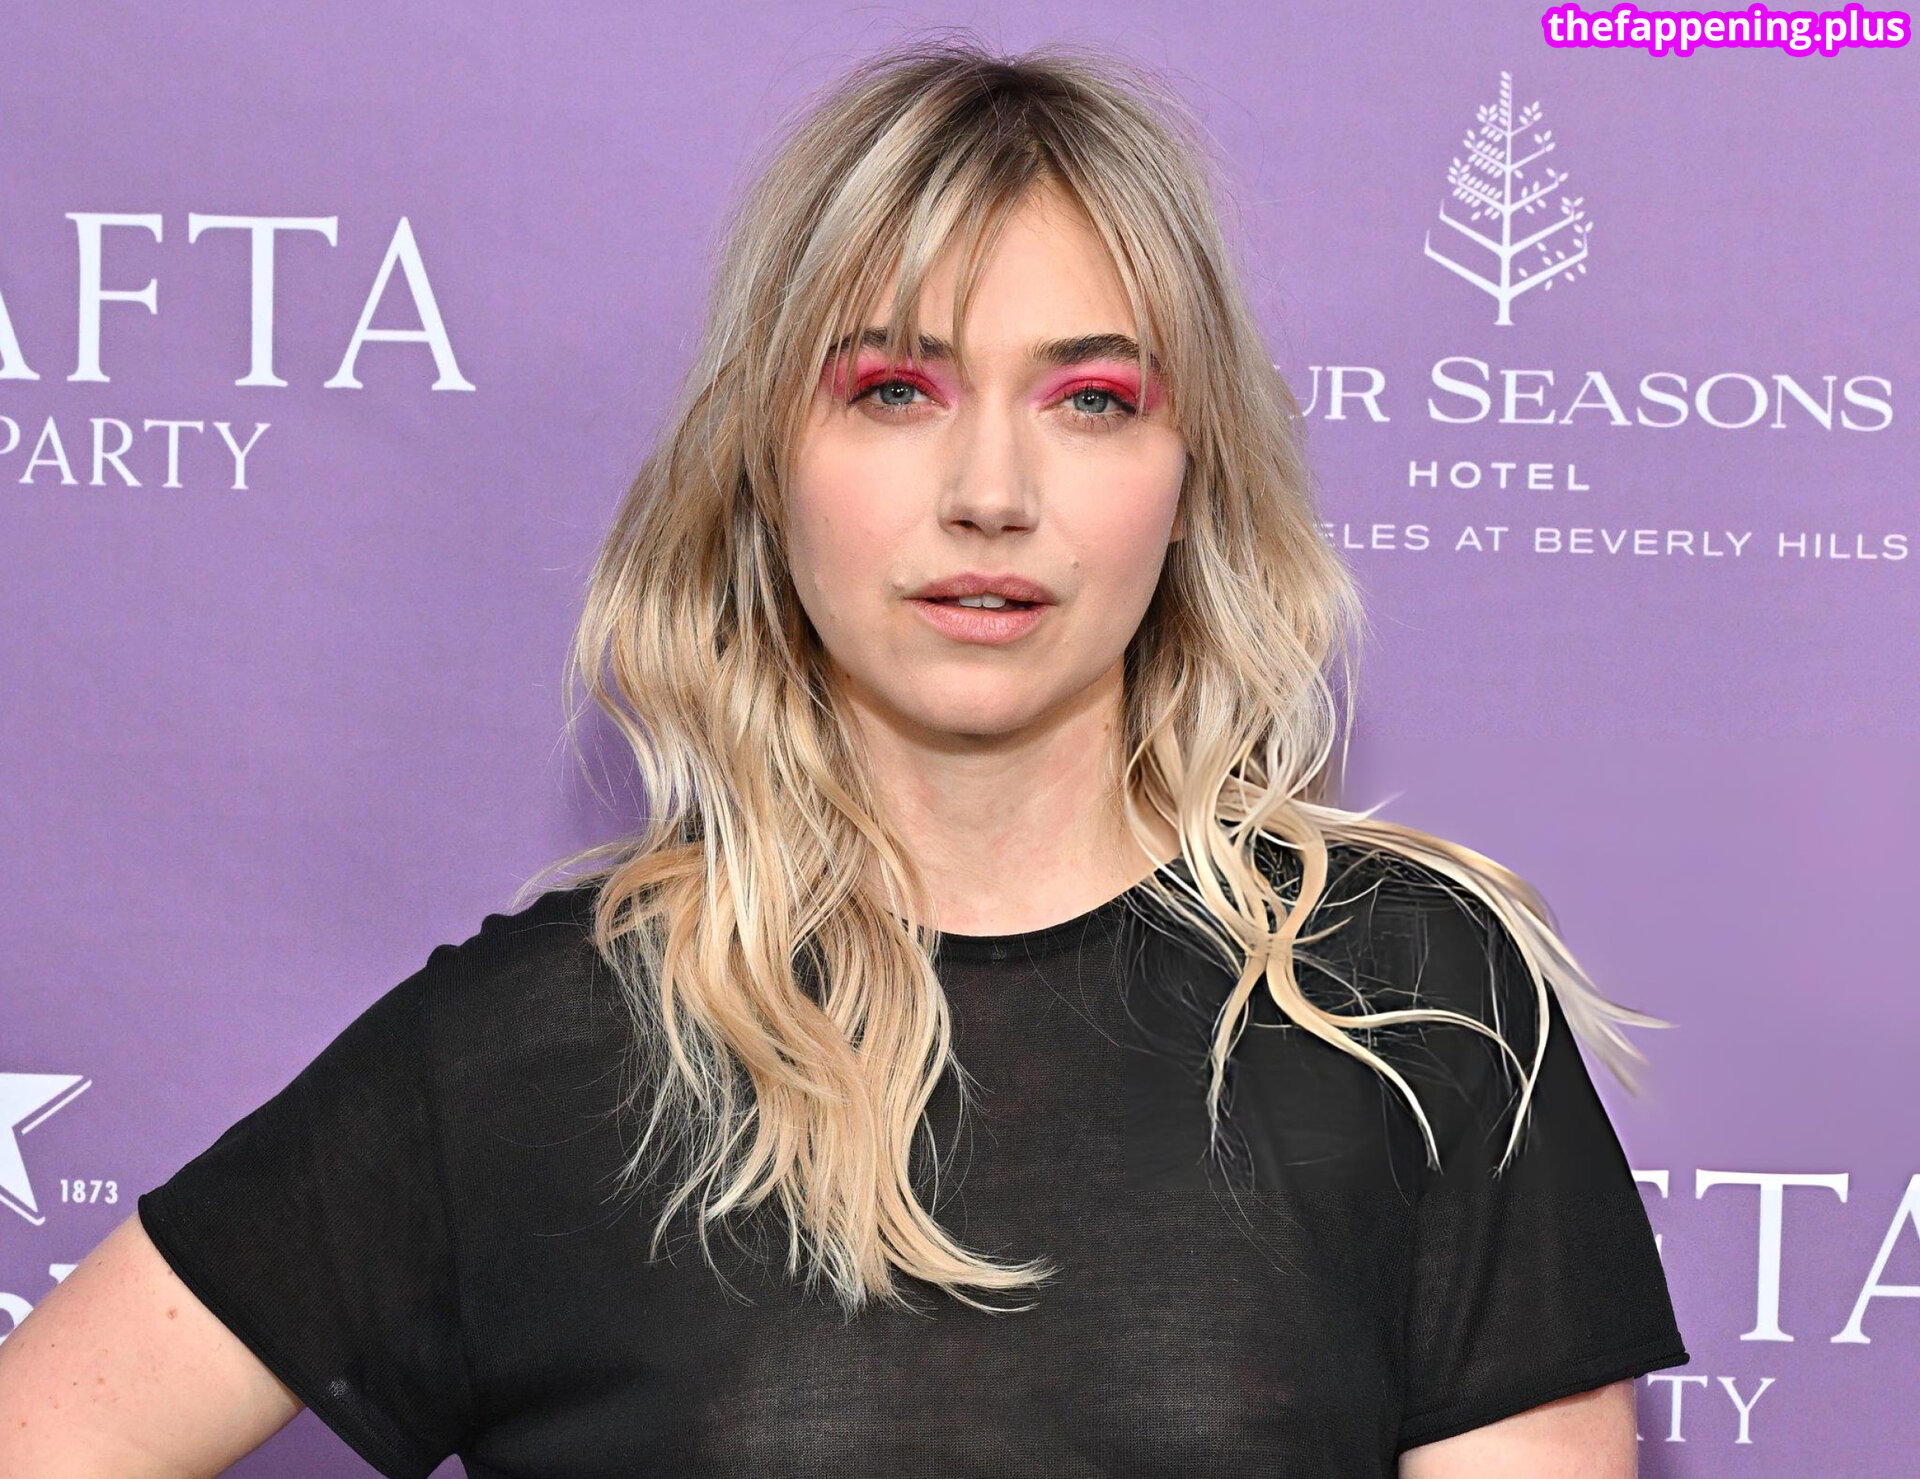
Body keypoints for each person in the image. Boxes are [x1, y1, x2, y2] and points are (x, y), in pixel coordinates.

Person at [0, 35, 1689, 1479]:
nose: (992, 494)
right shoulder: (537, 1043)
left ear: (1191, 478)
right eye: (894, 389)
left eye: (1092, 399)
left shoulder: (1413, 1006)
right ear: (768, 461)